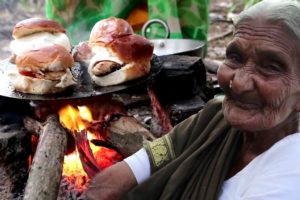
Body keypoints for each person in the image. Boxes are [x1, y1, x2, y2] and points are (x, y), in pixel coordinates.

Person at [85, 0, 300, 199]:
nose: (241, 82)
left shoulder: (291, 172)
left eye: (271, 67)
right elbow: (147, 160)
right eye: (235, 57)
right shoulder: (214, 120)